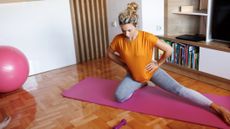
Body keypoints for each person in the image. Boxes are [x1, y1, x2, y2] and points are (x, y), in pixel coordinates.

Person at [107, 2, 230, 125]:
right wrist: (124, 65)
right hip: (134, 75)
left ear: (135, 25)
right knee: (119, 97)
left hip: (152, 72)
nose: (126, 34)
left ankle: (216, 107)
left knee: (179, 90)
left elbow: (169, 50)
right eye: (123, 31)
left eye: (129, 30)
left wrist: (158, 64)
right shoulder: (118, 39)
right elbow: (110, 54)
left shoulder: (147, 37)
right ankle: (141, 84)